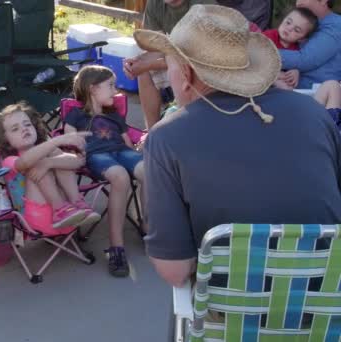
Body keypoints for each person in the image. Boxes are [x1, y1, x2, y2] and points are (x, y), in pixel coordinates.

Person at [133, 4, 341, 287]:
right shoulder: (315, 114)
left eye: (169, 67)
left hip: (232, 318)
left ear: (186, 74)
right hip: (325, 312)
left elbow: (175, 271)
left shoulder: (167, 137)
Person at [63, 65, 144, 277]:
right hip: (96, 156)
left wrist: (139, 148)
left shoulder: (114, 114)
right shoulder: (76, 114)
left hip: (120, 151)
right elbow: (69, 138)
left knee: (149, 170)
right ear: (92, 88)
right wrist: (77, 148)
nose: (115, 91)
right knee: (120, 176)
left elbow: (127, 142)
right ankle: (116, 248)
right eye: (110, 85)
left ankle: (149, 228)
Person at [0, 102, 100, 235]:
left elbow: (78, 162)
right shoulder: (8, 160)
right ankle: (59, 209)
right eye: (15, 129)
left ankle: (77, 202)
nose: (24, 129)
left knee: (58, 161)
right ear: (5, 139)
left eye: (27, 124)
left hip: (75, 217)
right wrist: (55, 141)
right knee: (37, 163)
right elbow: (24, 163)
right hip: (39, 220)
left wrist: (50, 162)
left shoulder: (49, 150)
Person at [124, 0, 216, 129]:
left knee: (154, 68)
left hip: (208, 65)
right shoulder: (155, 4)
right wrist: (137, 62)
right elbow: (155, 49)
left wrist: (149, 65)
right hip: (178, 59)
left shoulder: (202, 4)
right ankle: (152, 133)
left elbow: (197, 60)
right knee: (143, 69)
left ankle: (191, 127)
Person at [278, 0, 341, 90]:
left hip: (316, 95)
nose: (298, 2)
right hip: (292, 89)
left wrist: (263, 54)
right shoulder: (304, 22)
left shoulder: (336, 26)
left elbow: (304, 60)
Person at [262, 7, 319, 89]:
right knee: (282, 85)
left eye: (296, 30)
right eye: (288, 22)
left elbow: (294, 65)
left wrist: (296, 72)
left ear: (301, 39)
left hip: (277, 81)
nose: (289, 29)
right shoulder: (267, 37)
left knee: (288, 87)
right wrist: (276, 74)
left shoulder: (296, 51)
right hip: (261, 74)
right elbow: (257, 59)